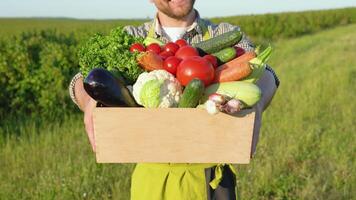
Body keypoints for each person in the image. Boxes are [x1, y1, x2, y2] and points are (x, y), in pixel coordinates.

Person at [68, 0, 280, 199]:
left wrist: (258, 105)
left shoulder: (225, 33)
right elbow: (81, 78)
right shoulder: (133, 37)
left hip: (213, 181)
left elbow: (266, 71)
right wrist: (90, 102)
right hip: (152, 178)